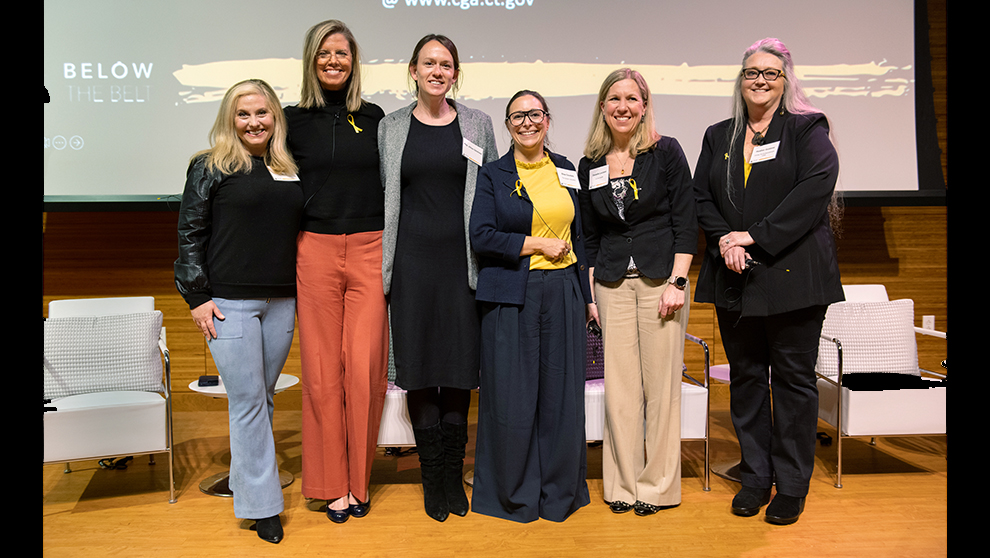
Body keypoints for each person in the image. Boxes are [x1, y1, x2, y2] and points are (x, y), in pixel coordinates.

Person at [693, 38, 842, 525]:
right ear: (741, 79)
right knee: (747, 381)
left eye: (770, 73)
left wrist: (754, 237)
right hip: (733, 276)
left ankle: (792, 485)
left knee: (794, 384)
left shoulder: (806, 128)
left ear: (785, 80)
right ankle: (756, 477)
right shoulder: (719, 135)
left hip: (792, 276)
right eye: (751, 72)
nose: (760, 80)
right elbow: (702, 198)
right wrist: (726, 242)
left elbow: (815, 187)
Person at [175, 79, 302, 544]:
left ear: (275, 118)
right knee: (248, 403)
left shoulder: (287, 166)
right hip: (228, 304)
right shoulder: (209, 166)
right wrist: (197, 297)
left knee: (263, 399)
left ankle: (251, 484)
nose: (254, 123)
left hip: (282, 302)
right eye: (244, 114)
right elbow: (190, 234)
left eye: (263, 114)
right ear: (230, 118)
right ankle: (262, 507)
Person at [378, 34, 497, 522]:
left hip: (462, 267)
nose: (437, 71)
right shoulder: (390, 127)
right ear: (413, 70)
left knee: (458, 372)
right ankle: (432, 478)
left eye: (446, 64)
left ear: (455, 73)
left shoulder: (477, 124)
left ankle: (453, 476)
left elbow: (490, 190)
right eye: (429, 63)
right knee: (421, 371)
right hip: (410, 266)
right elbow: (382, 194)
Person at [469, 90, 595, 523]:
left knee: (561, 398)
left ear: (547, 120)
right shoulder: (493, 174)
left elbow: (581, 237)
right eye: (517, 116)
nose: (527, 122)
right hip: (510, 297)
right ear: (507, 125)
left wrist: (589, 298)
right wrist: (535, 244)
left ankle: (558, 493)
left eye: (535, 114)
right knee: (511, 398)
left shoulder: (566, 169)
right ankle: (513, 496)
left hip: (564, 292)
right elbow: (481, 236)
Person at [577, 69, 697, 517]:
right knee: (620, 392)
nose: (622, 107)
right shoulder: (590, 163)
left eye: (631, 98)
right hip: (609, 284)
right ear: (603, 107)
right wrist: (590, 296)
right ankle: (623, 486)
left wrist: (678, 282)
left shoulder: (665, 152)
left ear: (644, 105)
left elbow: (686, 222)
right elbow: (587, 237)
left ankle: (657, 487)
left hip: (660, 282)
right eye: (614, 99)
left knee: (661, 390)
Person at [283, 19, 388, 524]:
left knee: (365, 369)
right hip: (316, 250)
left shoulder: (375, 118)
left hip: (371, 248)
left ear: (354, 60)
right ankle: (330, 485)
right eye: (324, 53)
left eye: (342, 53)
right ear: (311, 59)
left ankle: (358, 482)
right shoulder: (289, 120)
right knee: (323, 372)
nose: (333, 61)